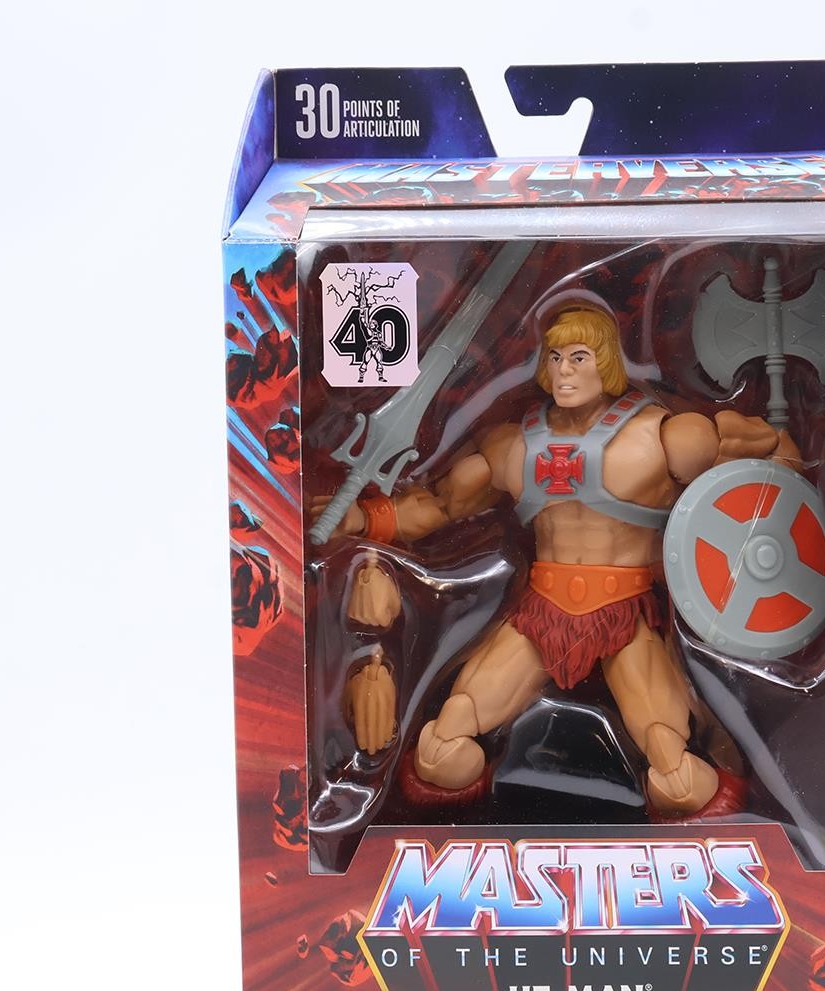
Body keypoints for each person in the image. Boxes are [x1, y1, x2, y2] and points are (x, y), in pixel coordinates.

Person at [313, 304, 800, 816]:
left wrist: (787, 478)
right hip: (540, 611)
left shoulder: (664, 436)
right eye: (555, 357)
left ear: (606, 361)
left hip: (624, 614)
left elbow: (765, 457)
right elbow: (440, 505)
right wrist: (365, 519)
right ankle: (478, 826)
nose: (564, 370)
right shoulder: (512, 445)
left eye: (579, 357)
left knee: (677, 779)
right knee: (439, 753)